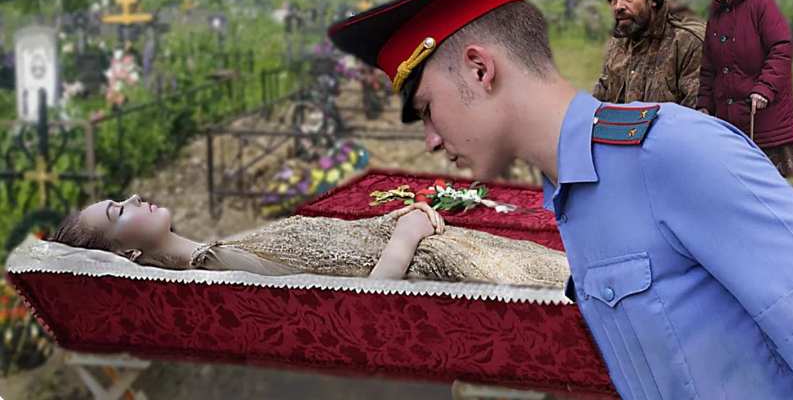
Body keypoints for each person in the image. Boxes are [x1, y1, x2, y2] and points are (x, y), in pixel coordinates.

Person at [327, 0, 793, 400]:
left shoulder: (676, 152)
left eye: (428, 109)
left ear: (479, 70)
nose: (431, 140)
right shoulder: (572, 193)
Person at [50, 194, 570, 289]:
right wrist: (406, 232)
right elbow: (363, 296)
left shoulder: (218, 250)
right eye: (118, 211)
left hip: (440, 246)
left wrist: (392, 222)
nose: (134, 197)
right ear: (128, 255)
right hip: (441, 261)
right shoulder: (220, 264)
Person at [697, 0, 793, 178]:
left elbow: (781, 48)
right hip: (728, 120)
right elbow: (708, 68)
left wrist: (765, 88)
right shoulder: (716, 15)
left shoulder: (761, 4)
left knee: (769, 186)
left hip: (764, 119)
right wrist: (704, 104)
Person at [593, 0, 705, 108]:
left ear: (652, 0)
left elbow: (695, 114)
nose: (619, 6)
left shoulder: (687, 44)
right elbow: (599, 102)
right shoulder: (618, 43)